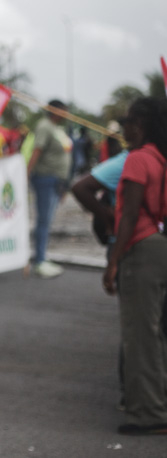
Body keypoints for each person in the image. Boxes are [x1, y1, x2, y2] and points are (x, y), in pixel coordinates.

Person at [100, 97, 167, 435]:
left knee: (140, 336)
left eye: (126, 122)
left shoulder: (139, 159)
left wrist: (113, 262)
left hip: (140, 248)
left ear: (138, 125)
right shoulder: (159, 157)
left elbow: (128, 215)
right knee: (155, 333)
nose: (123, 128)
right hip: (159, 243)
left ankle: (149, 414)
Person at [26, 100, 73, 278]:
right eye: (64, 111)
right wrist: (26, 174)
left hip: (57, 181)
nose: (66, 114)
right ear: (55, 110)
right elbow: (37, 150)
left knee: (48, 221)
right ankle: (39, 260)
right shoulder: (44, 126)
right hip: (45, 179)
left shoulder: (57, 128)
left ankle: (43, 257)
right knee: (43, 221)